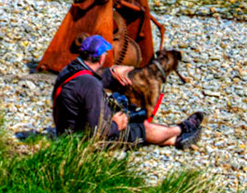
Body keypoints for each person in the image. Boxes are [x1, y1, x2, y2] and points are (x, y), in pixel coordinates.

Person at [51, 35, 204, 148]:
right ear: (101, 58)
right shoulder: (90, 85)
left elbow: (86, 86)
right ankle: (181, 129)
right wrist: (116, 125)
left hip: (66, 131)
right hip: (82, 141)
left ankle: (177, 140)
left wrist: (112, 72)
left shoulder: (70, 71)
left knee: (131, 118)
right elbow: (96, 131)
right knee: (143, 128)